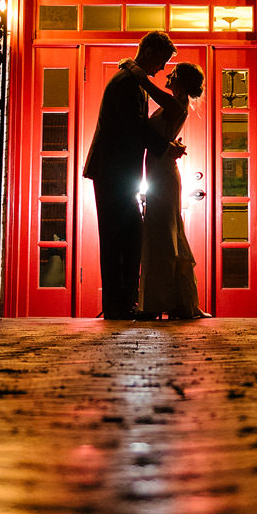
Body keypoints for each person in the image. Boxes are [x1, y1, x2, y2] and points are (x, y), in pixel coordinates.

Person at [81, 31, 176, 320]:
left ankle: (120, 303)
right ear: (148, 51)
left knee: (124, 235)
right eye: (162, 60)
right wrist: (165, 147)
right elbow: (134, 127)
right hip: (114, 171)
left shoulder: (131, 80)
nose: (162, 69)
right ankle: (117, 305)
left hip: (115, 171)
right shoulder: (127, 83)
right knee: (119, 237)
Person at [138, 62, 208, 320]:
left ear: (180, 81)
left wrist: (137, 73)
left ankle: (160, 300)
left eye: (173, 73)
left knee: (163, 233)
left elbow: (150, 90)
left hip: (163, 174)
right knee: (164, 232)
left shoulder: (175, 103)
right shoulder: (176, 105)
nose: (168, 75)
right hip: (159, 170)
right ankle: (177, 300)